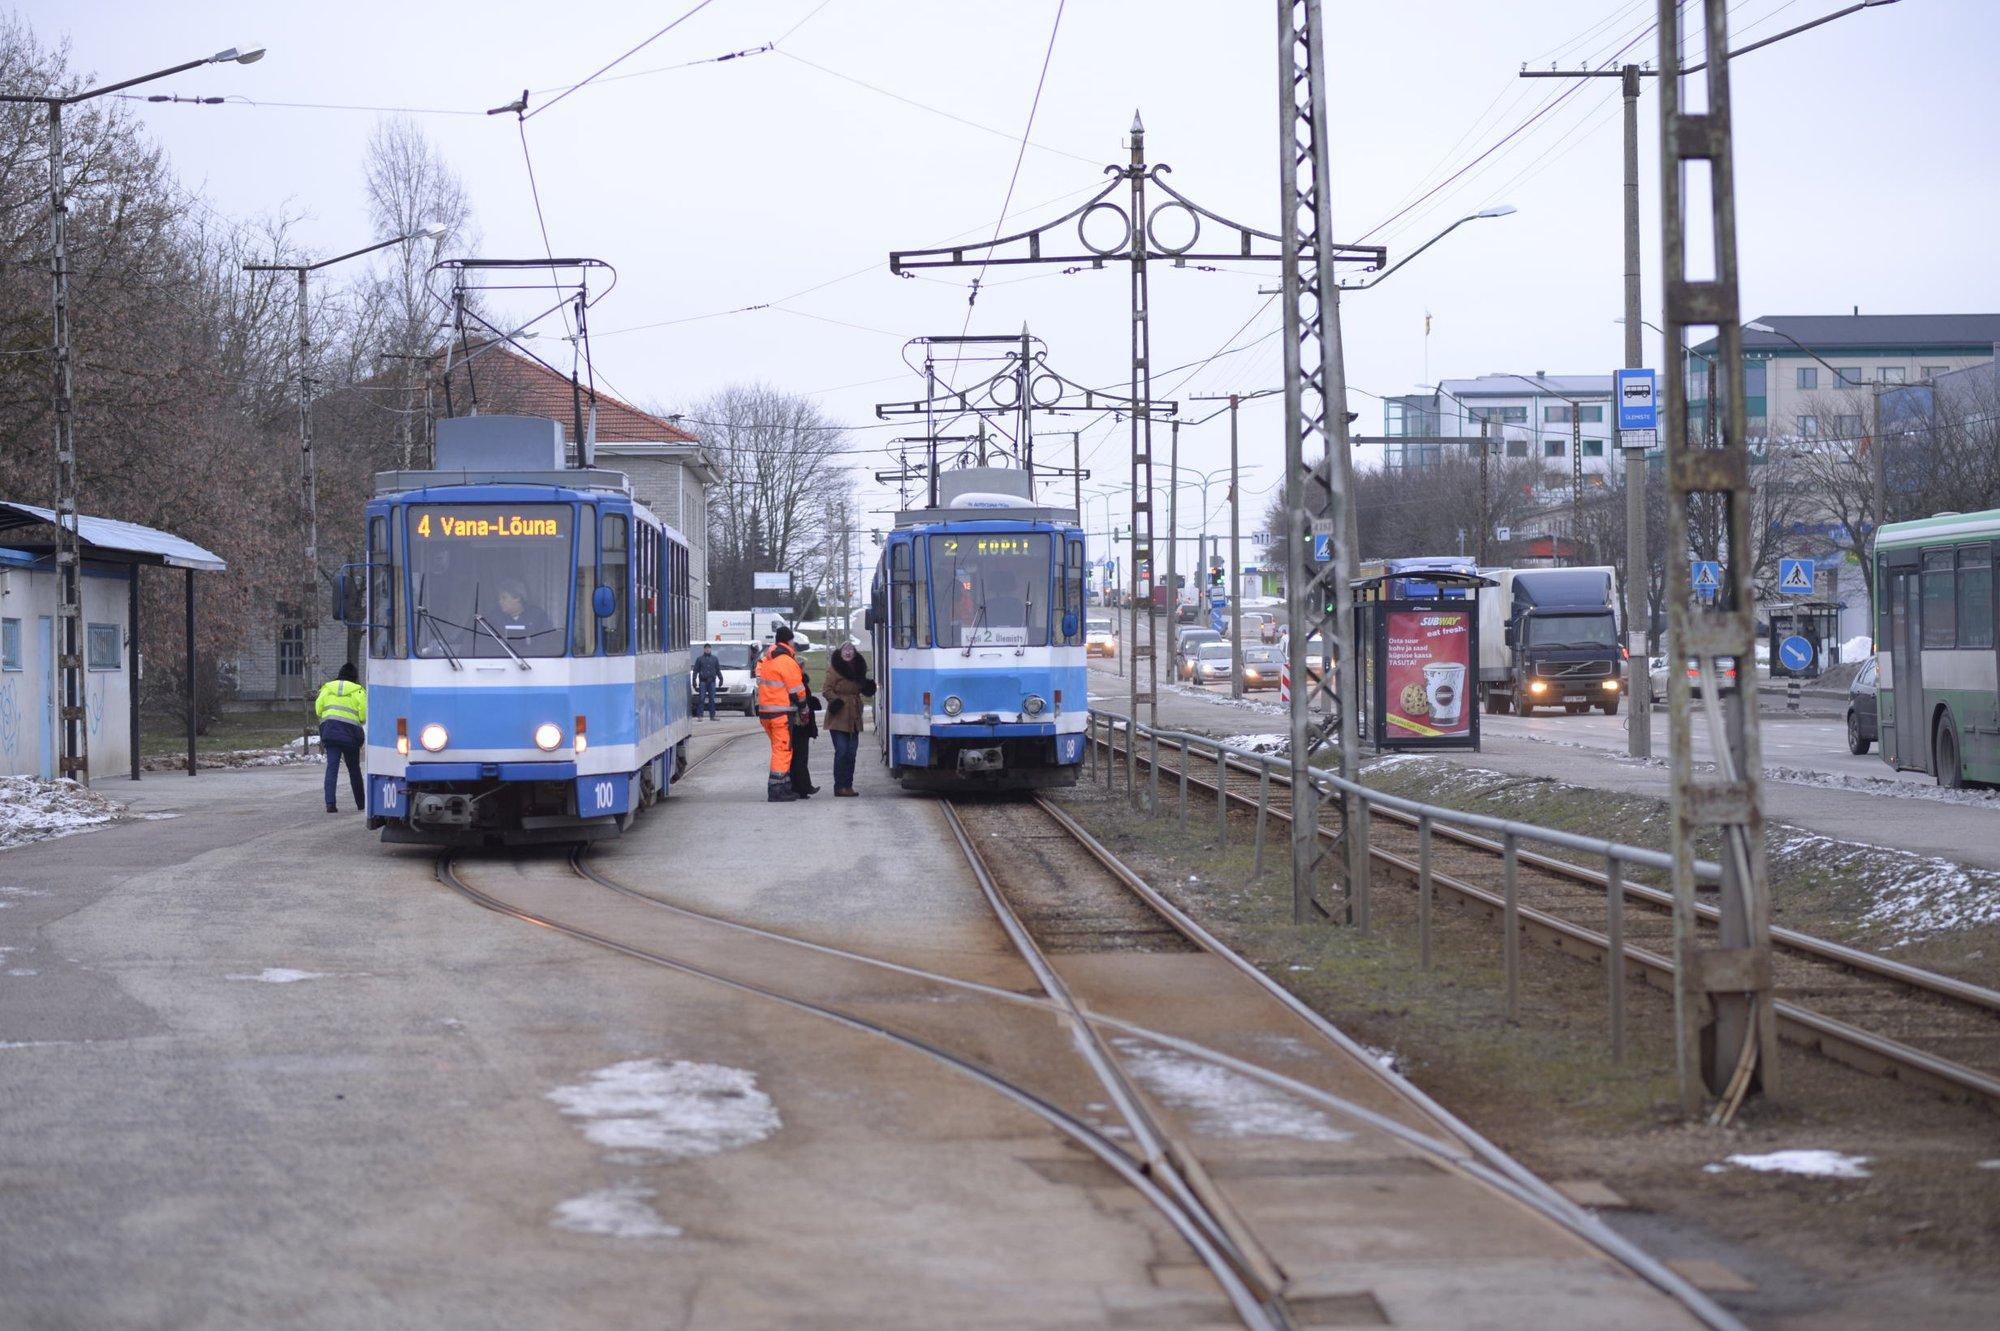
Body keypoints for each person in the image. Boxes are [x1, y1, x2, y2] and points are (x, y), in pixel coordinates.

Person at [754, 626, 809, 802]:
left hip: (766, 712)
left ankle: (784, 786)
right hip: (781, 713)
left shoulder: (766, 660)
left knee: (779, 749)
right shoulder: (786, 661)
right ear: (789, 641)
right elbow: (797, 689)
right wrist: (804, 708)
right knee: (782, 750)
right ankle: (777, 789)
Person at [822, 641, 874, 797]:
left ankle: (848, 785)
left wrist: (868, 687)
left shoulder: (858, 669)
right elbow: (826, 689)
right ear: (841, 652)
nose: (848, 652)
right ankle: (839, 786)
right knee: (842, 752)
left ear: (854, 652)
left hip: (854, 716)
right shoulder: (834, 669)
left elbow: (862, 686)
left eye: (851, 649)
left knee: (852, 753)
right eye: (845, 649)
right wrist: (836, 701)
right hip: (838, 715)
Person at [314, 662, 367, 814]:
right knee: (354, 770)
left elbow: (318, 709)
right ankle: (361, 804)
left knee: (332, 768)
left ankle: (330, 804)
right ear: (354, 677)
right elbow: (363, 716)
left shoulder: (326, 689)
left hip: (330, 733)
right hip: (350, 736)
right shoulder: (359, 692)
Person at [693, 643, 722, 720]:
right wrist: (694, 680)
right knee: (701, 698)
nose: (707, 649)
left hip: (712, 681)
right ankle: (700, 716)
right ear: (704, 649)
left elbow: (718, 670)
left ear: (711, 649)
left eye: (709, 648)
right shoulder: (699, 659)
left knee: (712, 699)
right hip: (703, 681)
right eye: (706, 648)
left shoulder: (714, 659)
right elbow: (695, 670)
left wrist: (721, 678)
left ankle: (712, 716)